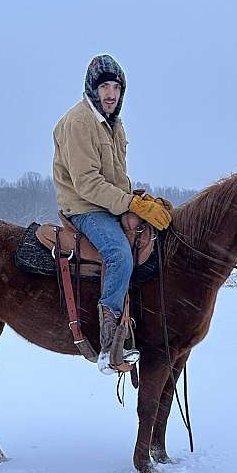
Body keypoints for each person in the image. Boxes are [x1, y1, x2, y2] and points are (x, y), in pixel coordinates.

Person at [53, 54, 172, 374]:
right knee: (120, 252)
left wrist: (139, 200)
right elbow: (87, 183)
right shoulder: (79, 122)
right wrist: (131, 205)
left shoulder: (114, 126)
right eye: (104, 86)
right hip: (84, 207)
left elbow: (116, 178)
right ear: (92, 90)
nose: (110, 94)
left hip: (109, 204)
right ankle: (110, 340)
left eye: (116, 87)